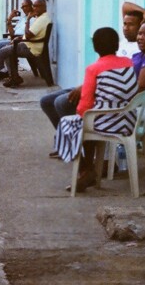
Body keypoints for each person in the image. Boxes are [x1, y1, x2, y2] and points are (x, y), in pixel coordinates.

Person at [41, 1, 145, 154]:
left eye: (131, 25)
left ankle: (76, 147)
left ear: (142, 26)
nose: (126, 28)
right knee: (46, 101)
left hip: (108, 90)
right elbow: (125, 5)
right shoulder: (121, 43)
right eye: (124, 24)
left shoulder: (140, 46)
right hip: (97, 80)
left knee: (61, 103)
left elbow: (124, 81)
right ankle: (70, 142)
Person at [54, 27, 139, 192]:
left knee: (73, 123)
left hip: (106, 123)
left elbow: (84, 105)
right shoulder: (129, 63)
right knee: (87, 121)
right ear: (116, 45)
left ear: (95, 47)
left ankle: (86, 169)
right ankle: (89, 169)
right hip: (129, 121)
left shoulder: (93, 69)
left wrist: (80, 115)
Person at [0, 0, 51, 90]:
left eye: (36, 6)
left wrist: (28, 19)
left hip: (30, 47)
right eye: (34, 6)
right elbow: (28, 35)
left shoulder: (41, 19)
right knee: (5, 50)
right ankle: (14, 77)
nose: (34, 8)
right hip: (27, 44)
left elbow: (28, 35)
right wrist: (19, 37)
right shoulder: (41, 18)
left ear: (43, 7)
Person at [0, 0, 34, 82]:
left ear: (31, 6)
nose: (23, 8)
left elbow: (28, 34)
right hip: (12, 38)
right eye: (22, 7)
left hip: (20, 41)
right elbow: (12, 33)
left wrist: (17, 37)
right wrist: (9, 19)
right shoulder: (23, 18)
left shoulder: (32, 18)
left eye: (25, 6)